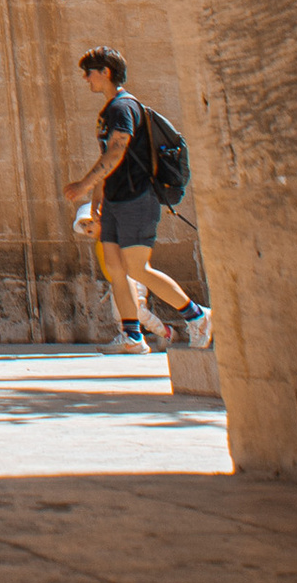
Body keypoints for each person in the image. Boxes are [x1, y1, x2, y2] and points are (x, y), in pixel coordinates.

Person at [63, 46, 211, 353]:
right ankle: (132, 336)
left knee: (138, 268)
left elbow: (117, 150)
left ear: (105, 72)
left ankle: (198, 316)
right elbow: (108, 158)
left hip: (137, 198)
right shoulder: (108, 111)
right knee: (117, 269)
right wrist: (95, 203)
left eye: (88, 72)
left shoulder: (123, 108)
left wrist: (83, 184)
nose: (85, 78)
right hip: (116, 200)